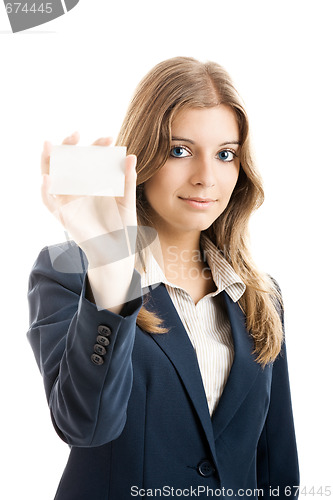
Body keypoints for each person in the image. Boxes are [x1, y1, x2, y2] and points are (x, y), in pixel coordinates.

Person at [27, 56, 299, 499]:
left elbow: (275, 461)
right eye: (180, 150)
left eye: (225, 154)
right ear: (143, 156)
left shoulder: (260, 296)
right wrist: (113, 269)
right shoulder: (72, 273)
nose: (206, 178)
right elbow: (86, 425)